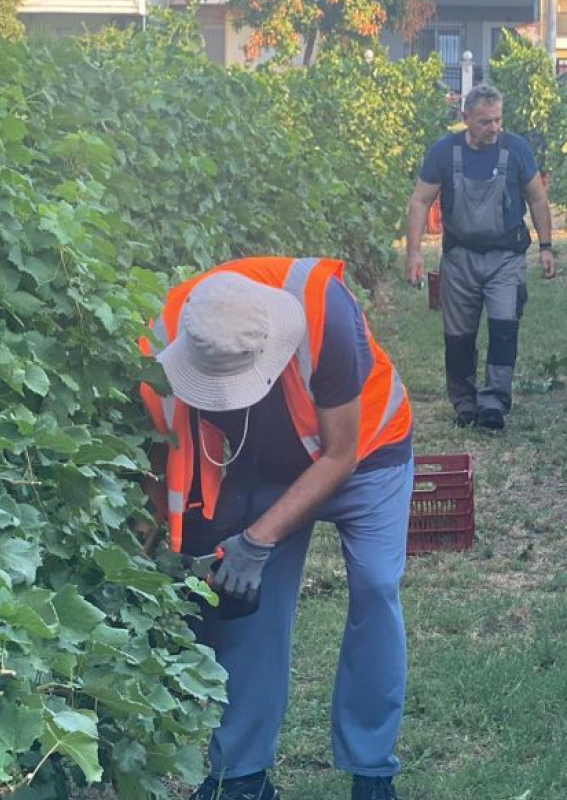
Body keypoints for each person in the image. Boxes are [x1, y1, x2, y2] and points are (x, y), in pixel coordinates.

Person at [137, 257, 416, 800]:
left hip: (366, 450)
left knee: (377, 585)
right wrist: (165, 554)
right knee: (247, 595)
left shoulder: (325, 313)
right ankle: (241, 775)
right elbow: (162, 456)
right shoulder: (167, 334)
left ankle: (372, 768)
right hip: (265, 462)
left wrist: (259, 538)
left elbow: (339, 456)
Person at [405, 83, 556, 431]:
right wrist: (413, 253)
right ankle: (464, 402)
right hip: (460, 257)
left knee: (504, 325)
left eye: (498, 120)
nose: (494, 128)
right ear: (466, 119)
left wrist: (545, 247)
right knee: (458, 334)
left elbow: (537, 198)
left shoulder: (516, 149)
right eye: (486, 121)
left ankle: (494, 403)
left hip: (506, 257)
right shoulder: (444, 153)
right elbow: (419, 201)